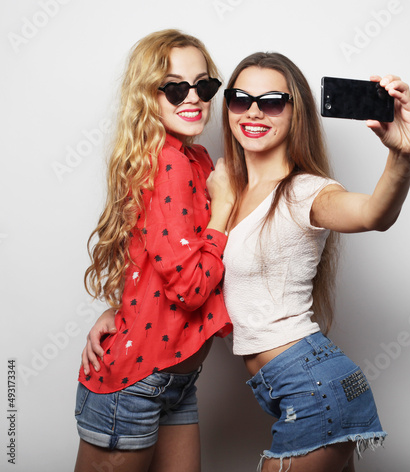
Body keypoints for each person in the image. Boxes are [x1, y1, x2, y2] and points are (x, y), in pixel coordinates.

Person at [84, 51, 410, 471]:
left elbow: (374, 213)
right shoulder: (220, 187)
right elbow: (177, 267)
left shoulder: (305, 191)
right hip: (300, 388)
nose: (254, 112)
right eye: (241, 99)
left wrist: (403, 156)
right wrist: (119, 312)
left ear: (295, 112)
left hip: (315, 390)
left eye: (273, 101)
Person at [74, 29, 234, 472]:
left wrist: (119, 308)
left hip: (176, 380)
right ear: (149, 96)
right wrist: (221, 209)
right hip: (137, 383)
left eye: (203, 86)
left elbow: (153, 258)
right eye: (176, 88)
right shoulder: (167, 164)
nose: (194, 98)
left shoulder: (196, 158)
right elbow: (190, 289)